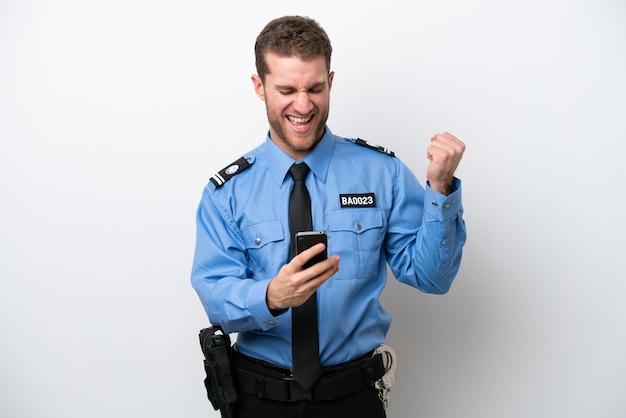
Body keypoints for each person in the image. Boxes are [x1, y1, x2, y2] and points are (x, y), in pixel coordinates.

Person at [191, 15, 466, 418]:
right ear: (259, 87)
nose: (303, 106)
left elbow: (432, 277)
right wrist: (270, 296)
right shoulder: (226, 193)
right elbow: (215, 299)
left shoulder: (381, 173)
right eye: (286, 89)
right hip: (258, 401)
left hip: (352, 399)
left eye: (315, 88)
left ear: (330, 82)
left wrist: (440, 189)